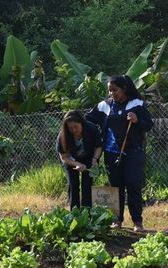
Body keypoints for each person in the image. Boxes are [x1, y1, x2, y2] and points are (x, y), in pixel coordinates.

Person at [86, 75, 153, 232]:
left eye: (114, 90)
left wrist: (137, 120)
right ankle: (117, 220)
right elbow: (88, 120)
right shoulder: (105, 105)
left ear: (124, 89)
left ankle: (137, 221)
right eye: (109, 90)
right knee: (115, 186)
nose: (111, 93)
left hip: (133, 152)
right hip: (111, 152)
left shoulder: (137, 104)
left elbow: (149, 124)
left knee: (133, 184)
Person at [56, 110, 103, 209]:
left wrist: (95, 159)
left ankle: (87, 213)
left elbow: (98, 147)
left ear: (82, 123)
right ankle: (75, 213)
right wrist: (76, 164)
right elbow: (63, 157)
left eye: (76, 127)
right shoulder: (63, 135)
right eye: (70, 128)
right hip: (71, 161)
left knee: (87, 186)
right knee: (73, 185)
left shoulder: (92, 129)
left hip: (89, 159)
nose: (73, 130)